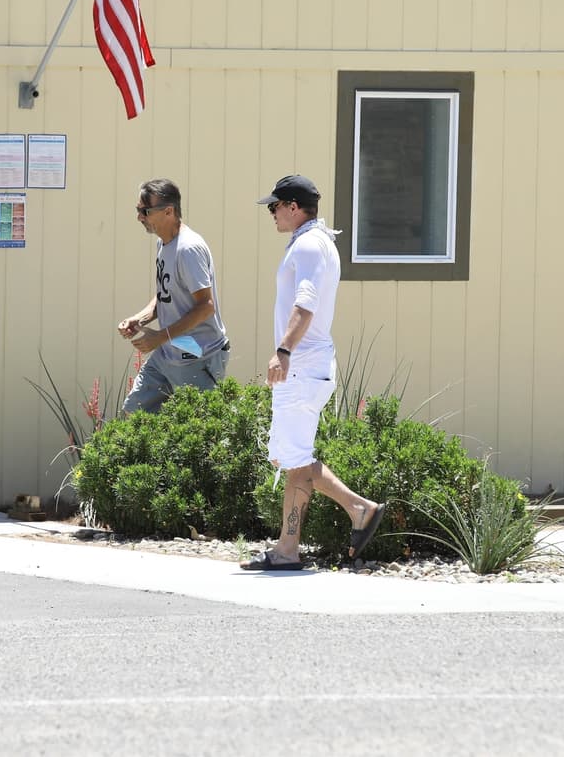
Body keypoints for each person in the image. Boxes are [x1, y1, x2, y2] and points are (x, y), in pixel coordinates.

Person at [240, 175, 385, 571]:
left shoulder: (308, 245)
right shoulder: (317, 244)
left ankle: (360, 509)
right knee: (293, 458)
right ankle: (286, 550)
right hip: (309, 367)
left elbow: (305, 303)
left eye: (275, 206)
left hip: (302, 367)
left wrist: (283, 350)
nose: (271, 213)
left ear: (293, 207)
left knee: (296, 458)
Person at [117, 178, 231, 414]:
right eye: (138, 210)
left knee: (201, 430)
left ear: (168, 211)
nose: (139, 217)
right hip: (169, 350)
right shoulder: (163, 244)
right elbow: (165, 294)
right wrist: (140, 319)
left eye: (145, 211)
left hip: (199, 354)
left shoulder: (188, 249)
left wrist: (160, 337)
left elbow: (206, 306)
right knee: (135, 412)